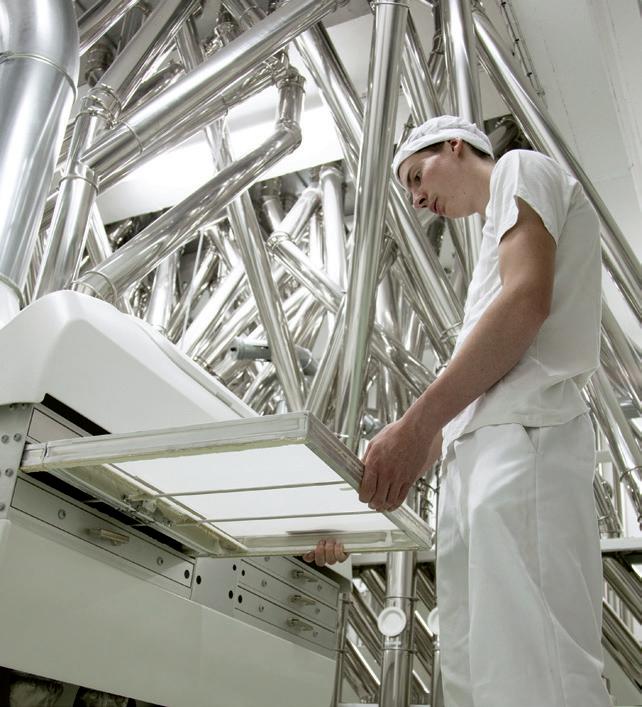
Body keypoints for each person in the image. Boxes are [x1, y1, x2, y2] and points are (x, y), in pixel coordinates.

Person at [305, 115, 611, 707]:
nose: (418, 199)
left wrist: (416, 423)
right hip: (478, 465)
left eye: (417, 177)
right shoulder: (488, 257)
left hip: (526, 443)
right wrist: (358, 502)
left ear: (455, 146)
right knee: (482, 673)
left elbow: (525, 302)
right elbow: (463, 402)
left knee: (539, 666)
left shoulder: (521, 168)